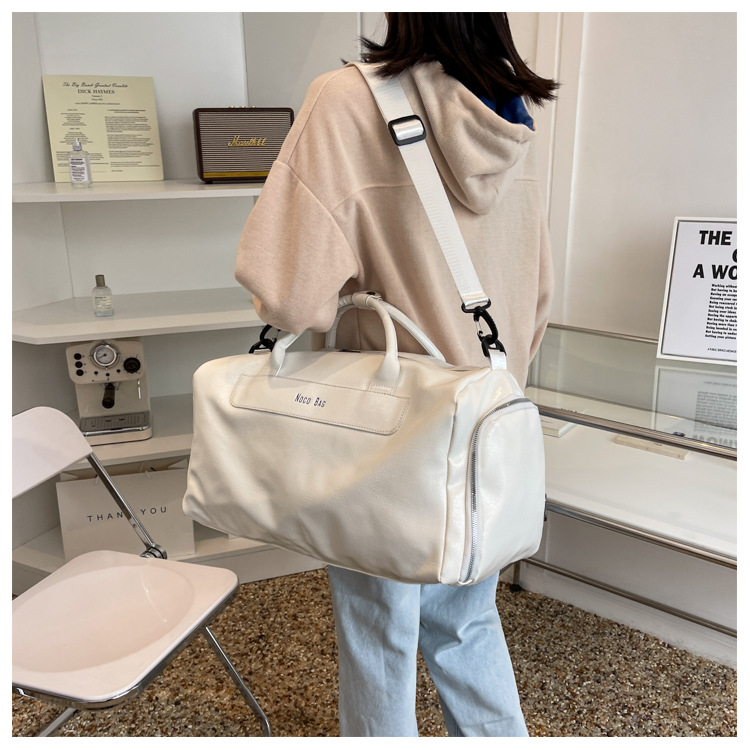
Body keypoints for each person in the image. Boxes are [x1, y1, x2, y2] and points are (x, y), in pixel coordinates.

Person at [235, 12, 557, 737]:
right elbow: (536, 294)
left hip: (383, 425)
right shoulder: (510, 105)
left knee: (377, 625)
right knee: (467, 617)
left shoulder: (347, 100)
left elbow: (289, 295)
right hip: (487, 416)